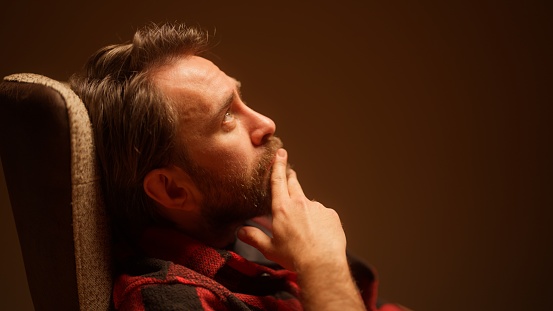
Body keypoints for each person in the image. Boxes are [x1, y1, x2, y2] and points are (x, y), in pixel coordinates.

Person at [70, 22, 407, 311]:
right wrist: (322, 265)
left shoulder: (262, 229)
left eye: (241, 100)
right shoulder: (164, 297)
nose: (267, 123)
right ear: (172, 189)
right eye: (227, 116)